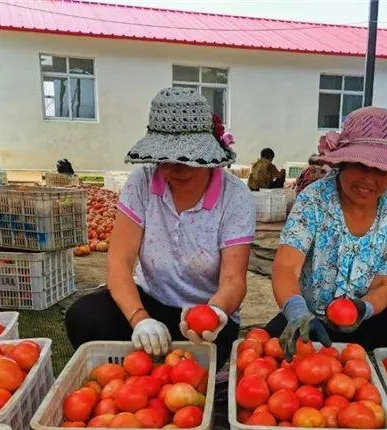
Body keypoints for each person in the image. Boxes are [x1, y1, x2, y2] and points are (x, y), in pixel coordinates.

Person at [64, 88, 255, 370]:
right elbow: (119, 262)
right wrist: (139, 318)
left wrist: (213, 313)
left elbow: (233, 280)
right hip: (150, 300)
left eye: (187, 157)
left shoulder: (235, 197)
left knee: (191, 366)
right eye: (166, 158)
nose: (176, 167)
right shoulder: (141, 182)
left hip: (203, 315)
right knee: (83, 315)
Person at [264, 107, 387, 358]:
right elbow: (286, 267)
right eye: (360, 165)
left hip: (369, 323)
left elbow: (384, 284)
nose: (369, 179)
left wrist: (362, 308)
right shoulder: (314, 199)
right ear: (342, 163)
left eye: (380, 169)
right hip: (311, 323)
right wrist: (297, 311)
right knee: (262, 353)